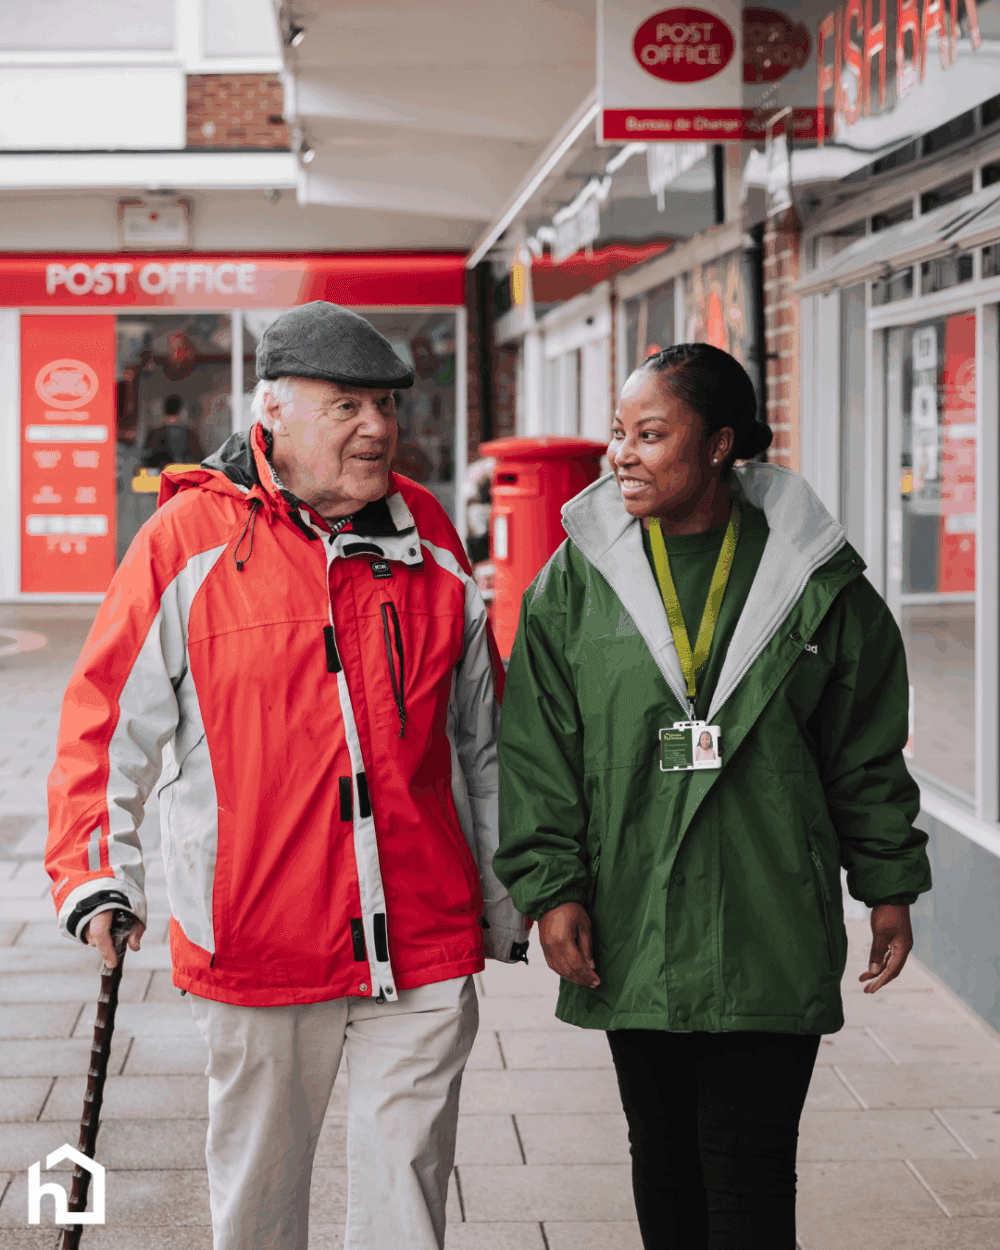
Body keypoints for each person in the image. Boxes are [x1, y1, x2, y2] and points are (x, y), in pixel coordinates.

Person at [46, 301, 528, 1250]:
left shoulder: (427, 531)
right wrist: (97, 872)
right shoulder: (187, 540)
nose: (378, 427)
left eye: (386, 404)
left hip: (422, 934)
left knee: (409, 1202)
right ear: (272, 411)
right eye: (347, 404)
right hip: (261, 937)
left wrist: (517, 891)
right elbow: (104, 729)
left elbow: (484, 737)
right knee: (261, 1202)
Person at [493, 342, 931, 1250]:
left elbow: (865, 752)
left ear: (722, 443)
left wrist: (888, 884)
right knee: (662, 1161)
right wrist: (552, 888)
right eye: (619, 433)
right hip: (632, 914)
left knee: (751, 1171)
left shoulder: (818, 585)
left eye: (651, 434)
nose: (623, 454)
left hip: (769, 912)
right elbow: (539, 752)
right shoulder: (573, 584)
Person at [139, 393, 205, 469]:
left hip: (161, 477)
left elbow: (146, 459)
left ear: (164, 410)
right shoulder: (190, 434)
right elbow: (200, 459)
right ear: (181, 410)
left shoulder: (155, 433)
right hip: (184, 475)